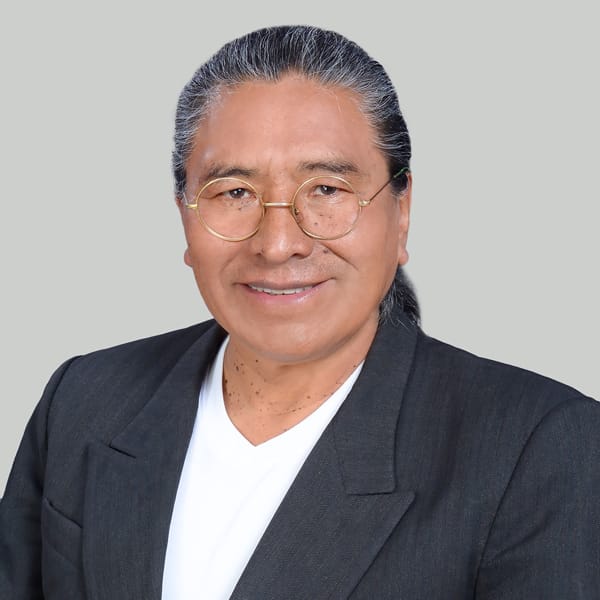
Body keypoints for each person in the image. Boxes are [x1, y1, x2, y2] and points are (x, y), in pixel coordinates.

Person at [1, 24, 598, 600]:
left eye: (327, 190)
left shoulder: (538, 448)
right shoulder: (85, 397)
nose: (278, 243)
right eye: (235, 193)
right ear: (185, 213)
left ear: (401, 212)